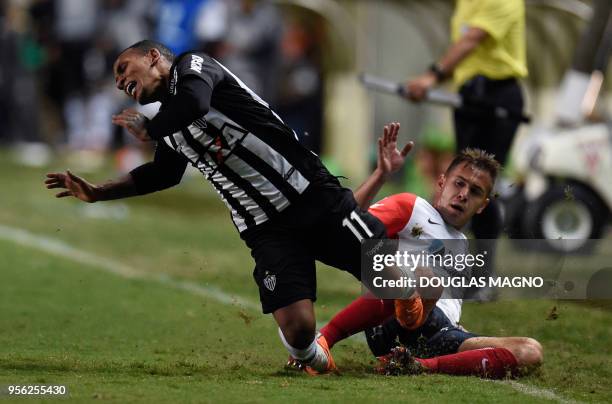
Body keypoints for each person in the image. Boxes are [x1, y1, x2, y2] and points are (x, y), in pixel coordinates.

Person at [44, 39, 397, 375]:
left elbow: (195, 103)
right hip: (264, 227)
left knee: (394, 280)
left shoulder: (195, 65)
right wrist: (98, 193)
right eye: (117, 80)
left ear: (153, 56)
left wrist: (151, 130)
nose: (120, 81)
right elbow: (163, 174)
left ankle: (433, 323)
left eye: (123, 68)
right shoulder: (169, 120)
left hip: (310, 195)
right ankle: (313, 355)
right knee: (300, 330)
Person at [315, 123, 542, 378]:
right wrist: (380, 175)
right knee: (427, 279)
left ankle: (415, 364)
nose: (464, 194)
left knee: (530, 351)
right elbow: (349, 221)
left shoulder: (463, 246)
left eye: (475, 192)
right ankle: (324, 339)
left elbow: (448, 307)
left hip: (438, 333)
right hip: (392, 317)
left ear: (482, 205)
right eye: (459, 184)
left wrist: (459, 331)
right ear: (442, 183)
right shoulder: (412, 208)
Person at [406, 0, 528, 298]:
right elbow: (465, 53)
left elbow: (472, 40)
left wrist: (431, 76)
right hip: (470, 96)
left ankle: (484, 279)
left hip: (498, 97)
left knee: (481, 188)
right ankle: (453, 271)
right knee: (459, 185)